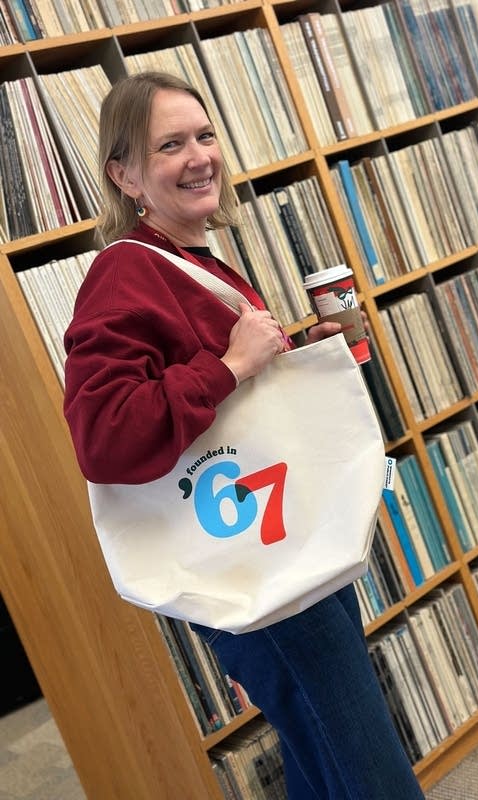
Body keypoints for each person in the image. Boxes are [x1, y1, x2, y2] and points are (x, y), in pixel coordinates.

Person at [63, 71, 425, 800]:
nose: (199, 156)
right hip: (252, 566)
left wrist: (292, 355)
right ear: (124, 173)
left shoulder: (193, 261)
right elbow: (103, 434)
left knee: (325, 756)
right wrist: (229, 367)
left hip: (278, 543)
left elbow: (225, 400)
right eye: (170, 145)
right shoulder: (125, 271)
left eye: (205, 135)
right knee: (367, 765)